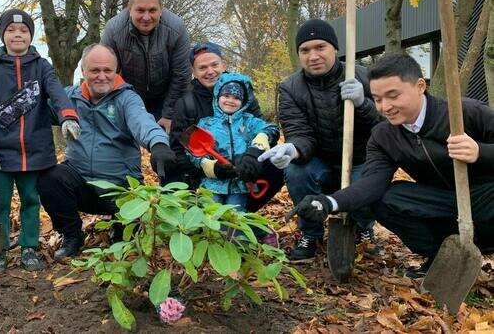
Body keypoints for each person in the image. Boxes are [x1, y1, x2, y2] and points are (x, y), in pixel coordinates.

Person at [288, 53, 494, 277]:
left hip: (487, 197)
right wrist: (329, 202)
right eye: (377, 99)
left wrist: (480, 152)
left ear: (420, 86)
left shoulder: (465, 113)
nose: (385, 107)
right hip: (442, 201)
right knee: (385, 199)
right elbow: (371, 183)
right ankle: (440, 255)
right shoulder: (383, 136)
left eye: (393, 96)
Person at [36, 43, 177, 260]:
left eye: (108, 70)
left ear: (116, 71)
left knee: (128, 235)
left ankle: (120, 230)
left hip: (120, 188)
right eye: (95, 70)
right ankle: (72, 235)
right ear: (83, 72)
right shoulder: (69, 98)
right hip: (79, 181)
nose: (102, 76)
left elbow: (143, 123)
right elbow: (38, 112)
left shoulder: (127, 99)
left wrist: (158, 144)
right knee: (49, 177)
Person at [259, 19, 382, 262]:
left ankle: (363, 227)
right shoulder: (290, 88)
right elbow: (300, 133)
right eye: (305, 50)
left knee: (371, 180)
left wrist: (363, 103)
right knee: (296, 171)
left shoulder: (364, 77)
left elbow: (385, 128)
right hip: (321, 162)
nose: (313, 56)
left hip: (361, 160)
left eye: (320, 47)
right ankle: (311, 232)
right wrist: (292, 149)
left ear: (335, 48)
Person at [0, 9, 80, 274]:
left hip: (35, 152)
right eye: (11, 30)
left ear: (30, 36)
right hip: (1, 154)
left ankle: (29, 247)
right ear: (3, 35)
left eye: (23, 31)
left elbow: (57, 92)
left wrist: (68, 116)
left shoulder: (42, 66)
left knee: (31, 201)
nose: (17, 35)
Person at [169, 42, 284, 213]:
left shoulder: (244, 94)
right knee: (168, 164)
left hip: (241, 175)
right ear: (193, 72)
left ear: (223, 64)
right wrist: (209, 168)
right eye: (202, 68)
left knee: (279, 162)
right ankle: (189, 213)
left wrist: (251, 157)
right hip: (204, 176)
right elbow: (179, 149)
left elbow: (264, 130)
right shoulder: (186, 103)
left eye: (214, 65)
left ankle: (247, 218)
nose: (210, 71)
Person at [187, 73, 281, 244]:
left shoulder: (250, 122)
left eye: (236, 97)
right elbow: (192, 151)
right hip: (212, 185)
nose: (230, 100)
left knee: (237, 217)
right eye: (226, 95)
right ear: (218, 96)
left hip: (239, 184)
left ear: (244, 102)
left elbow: (271, 129)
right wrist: (209, 166)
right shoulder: (206, 124)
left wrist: (256, 148)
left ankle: (255, 236)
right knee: (210, 215)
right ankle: (214, 247)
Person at [101, 0, 191, 133]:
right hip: (129, 96)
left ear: (161, 9)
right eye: (140, 10)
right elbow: (107, 72)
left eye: (152, 10)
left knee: (165, 148)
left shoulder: (177, 28)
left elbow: (182, 75)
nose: (146, 17)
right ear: (130, 9)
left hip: (166, 97)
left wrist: (168, 115)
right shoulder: (114, 29)